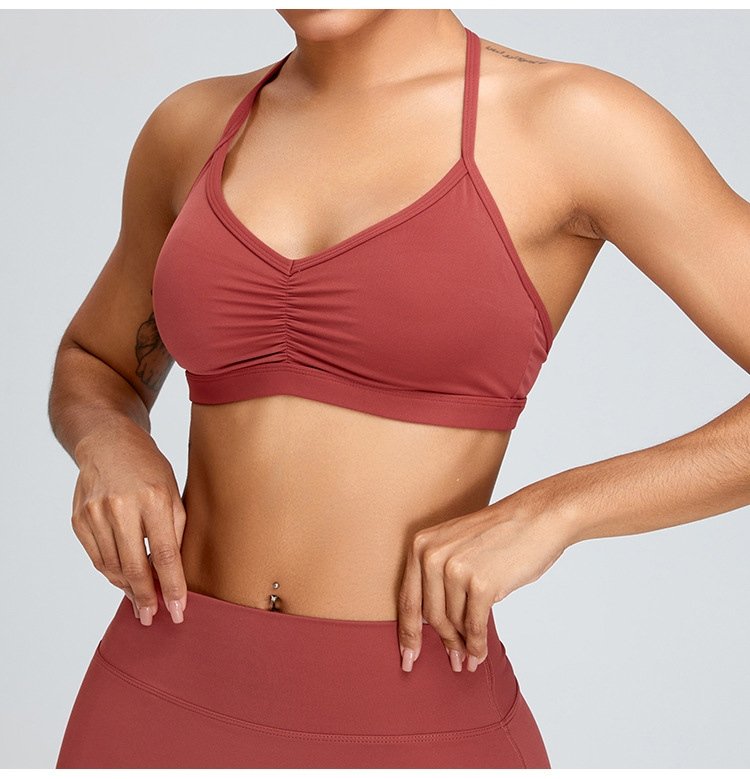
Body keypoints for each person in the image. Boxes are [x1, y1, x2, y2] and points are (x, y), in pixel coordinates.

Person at [49, 9, 749, 769]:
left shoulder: (570, 123)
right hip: (154, 690)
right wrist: (108, 438)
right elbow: (95, 360)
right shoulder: (191, 127)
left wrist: (555, 510)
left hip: (412, 715)